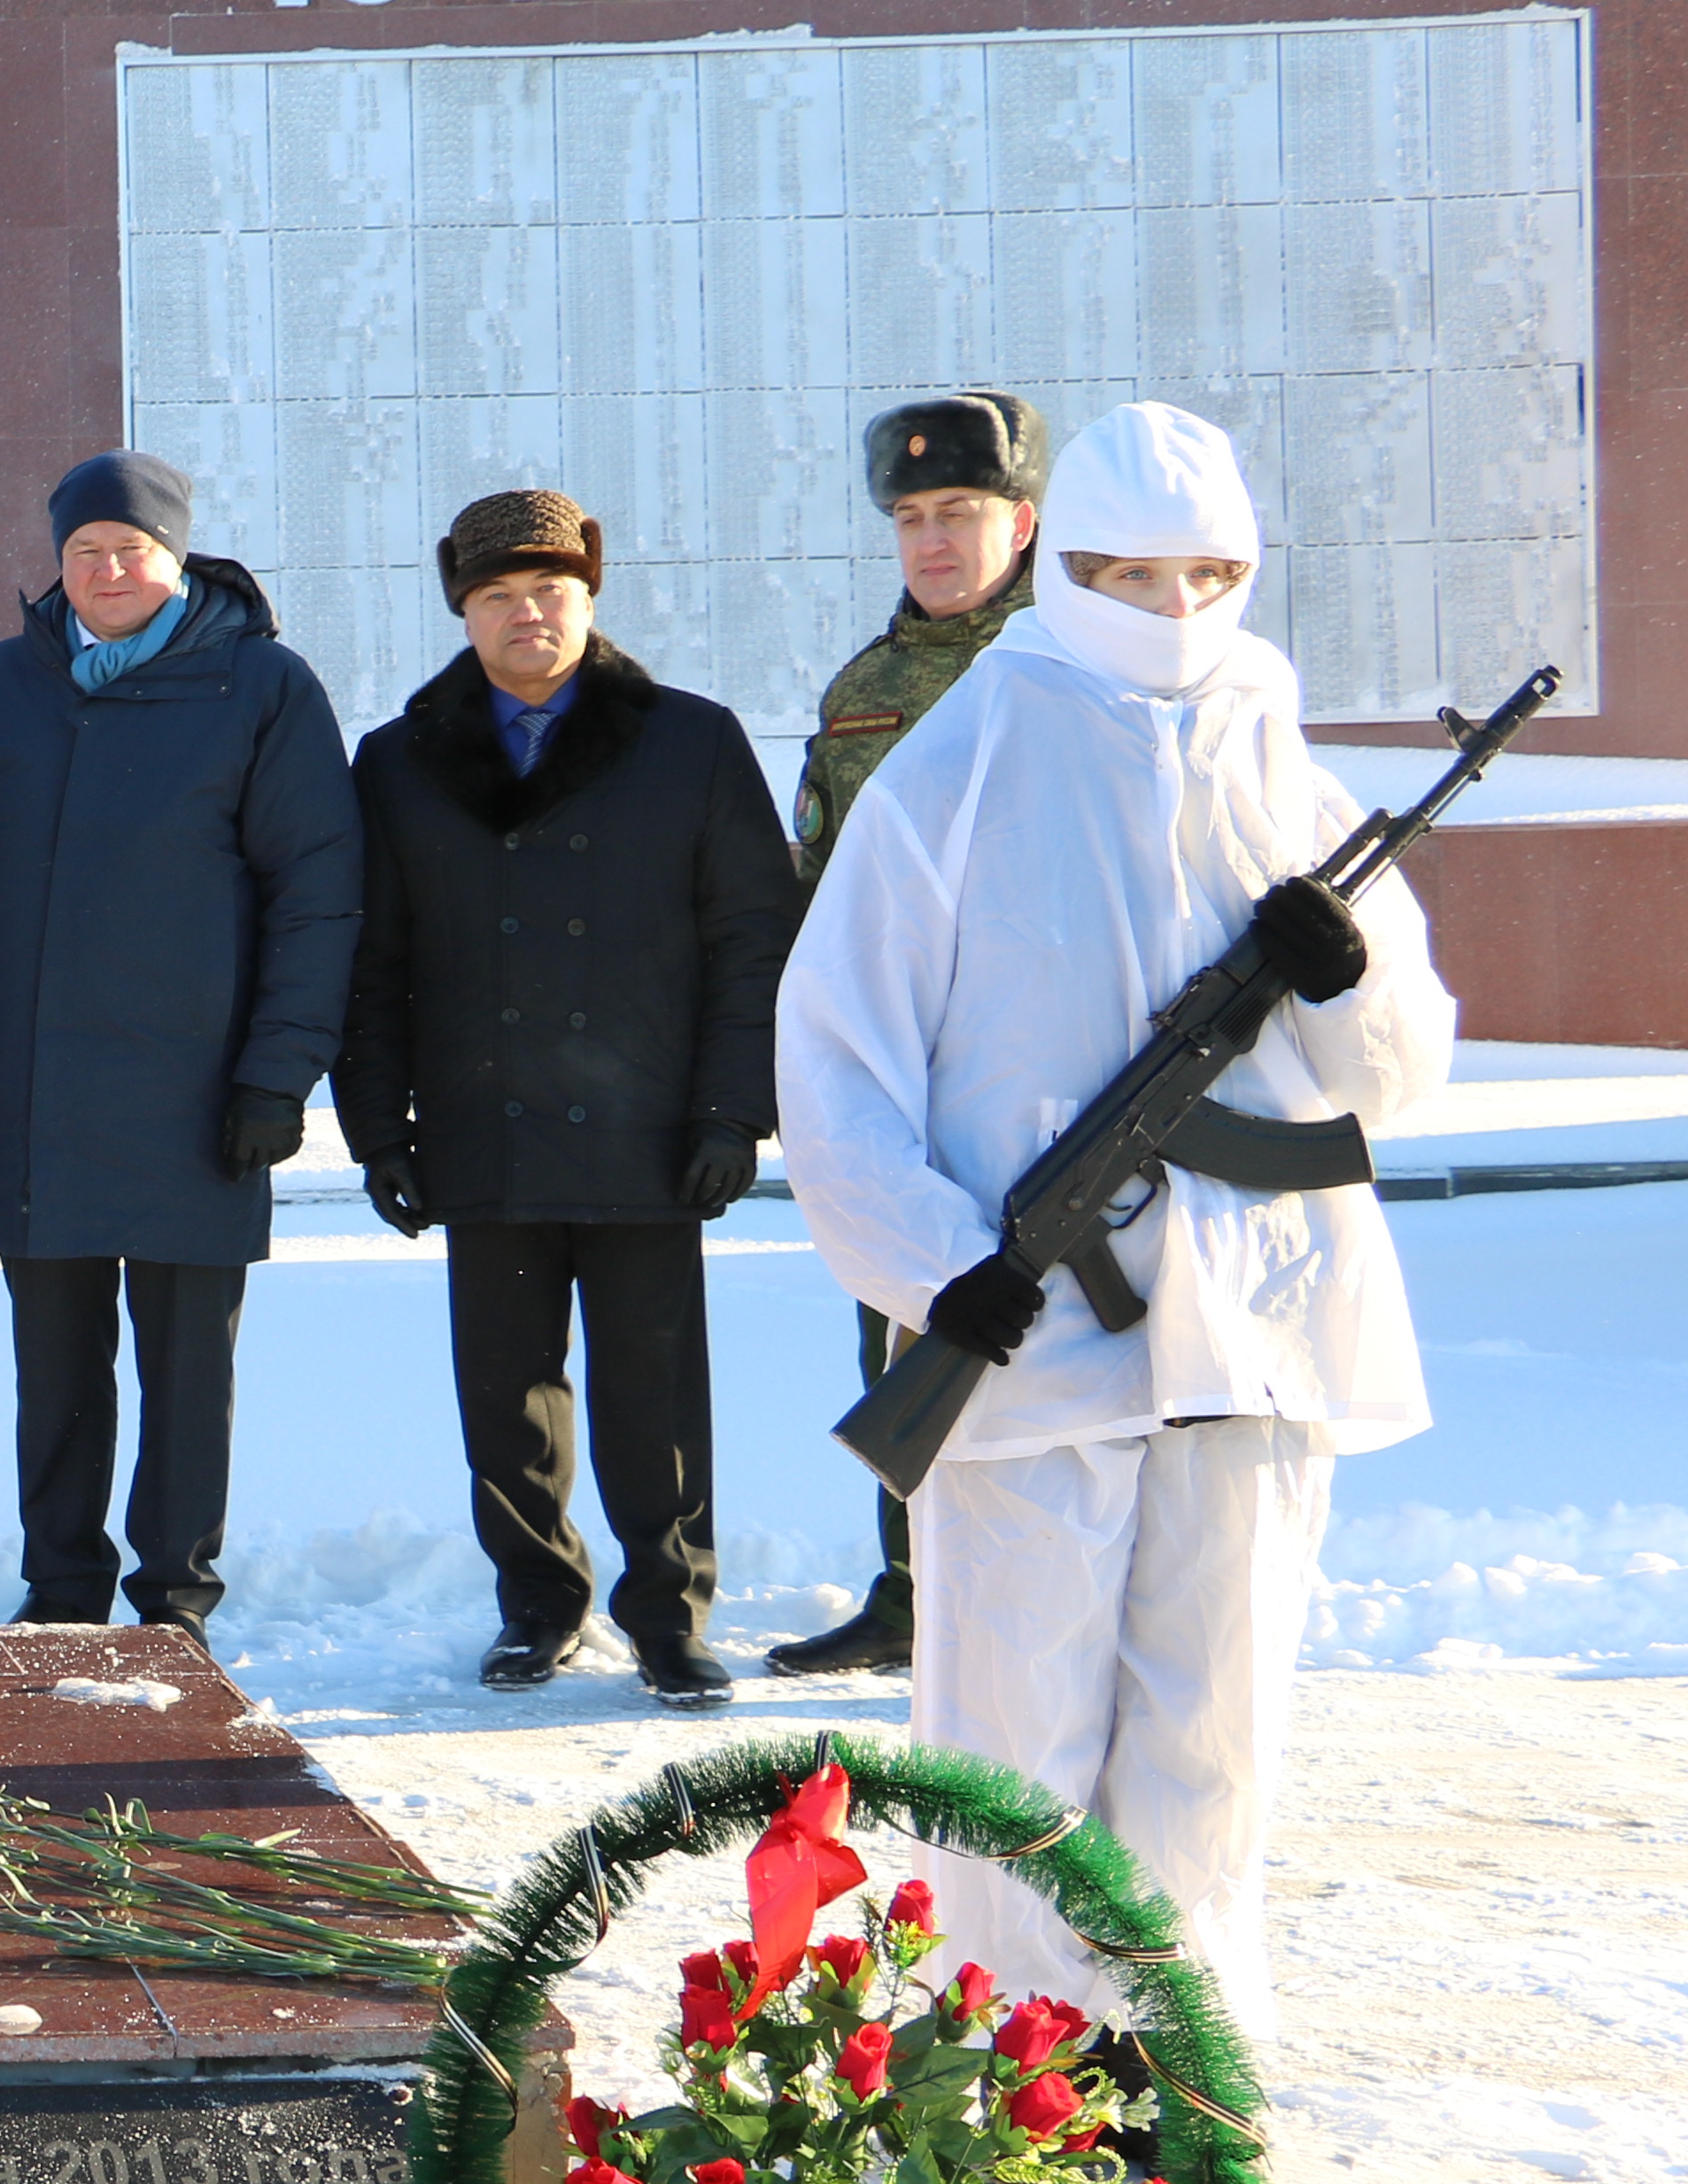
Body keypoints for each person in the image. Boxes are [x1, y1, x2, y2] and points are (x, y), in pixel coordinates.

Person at [777, 402, 1452, 2047]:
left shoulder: (1289, 774)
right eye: (1124, 572)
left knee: (1212, 1746)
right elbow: (837, 1066)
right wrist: (948, 1275)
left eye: (1206, 572)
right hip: (1039, 1352)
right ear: (1062, 565)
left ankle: (1176, 2079)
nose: (1169, 607)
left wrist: (1349, 975)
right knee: (1012, 1752)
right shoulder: (959, 763)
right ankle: (1003, 2082)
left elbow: (1403, 1073)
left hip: (1258, 1331)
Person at [337, 489, 800, 1710]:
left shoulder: (690, 742)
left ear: (590, 600)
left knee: (657, 1396)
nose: (526, 614)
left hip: (647, 1130)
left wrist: (730, 1112)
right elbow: (370, 958)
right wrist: (379, 1126)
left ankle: (669, 1615)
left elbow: (755, 936)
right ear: (463, 611)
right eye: (498, 596)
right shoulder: (399, 759)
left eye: (549, 592)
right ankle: (537, 1605)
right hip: (482, 1128)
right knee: (507, 1398)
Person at [0, 450, 360, 1635]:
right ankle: (61, 1592)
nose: (110, 570)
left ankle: (174, 1598)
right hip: (34, 1095)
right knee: (55, 1375)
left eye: (133, 549)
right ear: (54, 562)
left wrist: (279, 1074)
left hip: (199, 1094)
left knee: (187, 1374)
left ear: (177, 558)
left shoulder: (262, 688)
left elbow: (315, 894)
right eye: (85, 551)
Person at [773, 391, 1050, 1682]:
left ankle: (1024, 1587)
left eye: (961, 513)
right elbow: (816, 885)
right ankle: (909, 1586)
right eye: (912, 518)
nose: (934, 542)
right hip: (900, 1068)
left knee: (1047, 1332)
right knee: (900, 1318)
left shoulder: (1068, 668)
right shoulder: (866, 690)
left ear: (1024, 521)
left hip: (1045, 1069)